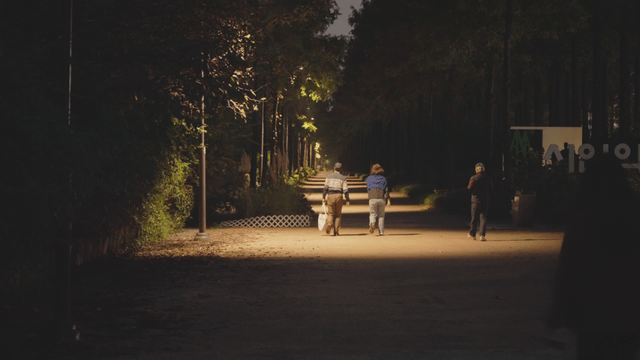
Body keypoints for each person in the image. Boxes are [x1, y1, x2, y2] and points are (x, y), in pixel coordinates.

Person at [549, 153, 640, 359]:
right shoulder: (634, 211)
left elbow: (569, 265)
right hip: (629, 311)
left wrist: (558, 308)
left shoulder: (584, 216)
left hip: (591, 312)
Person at [322, 162, 350, 236]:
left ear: (334, 168)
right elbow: (345, 189)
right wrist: (347, 199)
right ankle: (336, 231)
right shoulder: (343, 178)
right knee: (338, 214)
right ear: (341, 170)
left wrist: (323, 197)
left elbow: (325, 188)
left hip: (330, 195)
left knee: (330, 213)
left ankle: (329, 223)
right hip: (339, 196)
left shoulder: (328, 176)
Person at [467, 162, 493, 241]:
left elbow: (469, 188)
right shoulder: (488, 178)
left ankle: (472, 234)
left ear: (476, 170)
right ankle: (482, 235)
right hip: (484, 200)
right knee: (483, 218)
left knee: (474, 217)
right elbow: (491, 189)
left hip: (475, 200)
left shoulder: (473, 178)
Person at [366, 164, 390, 236]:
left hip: (372, 198)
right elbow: (386, 190)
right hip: (381, 198)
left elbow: (368, 188)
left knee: (373, 213)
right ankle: (381, 231)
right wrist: (388, 200)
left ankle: (372, 223)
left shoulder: (369, 179)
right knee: (381, 216)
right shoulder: (383, 179)